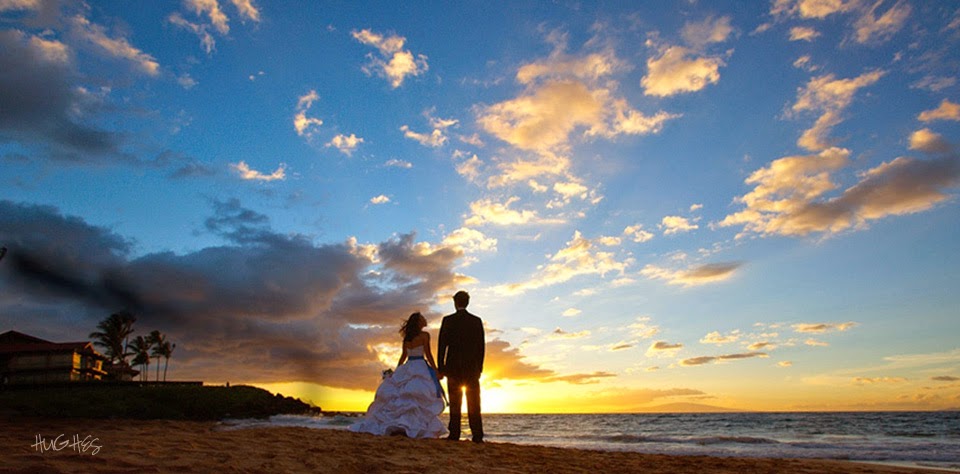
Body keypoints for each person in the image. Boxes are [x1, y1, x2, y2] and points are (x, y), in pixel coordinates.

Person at [350, 312, 448, 439]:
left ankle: (403, 425)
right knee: (417, 398)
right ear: (419, 322)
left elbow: (403, 357)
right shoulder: (425, 335)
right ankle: (414, 427)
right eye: (423, 318)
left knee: (405, 397)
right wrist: (435, 370)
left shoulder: (407, 338)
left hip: (408, 365)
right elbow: (428, 354)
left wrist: (398, 372)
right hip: (420, 365)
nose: (425, 319)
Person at [438, 290, 485, 443]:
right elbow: (481, 347)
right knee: (474, 402)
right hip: (472, 368)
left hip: (453, 367)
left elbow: (442, 345)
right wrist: (479, 368)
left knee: (455, 401)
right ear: (467, 302)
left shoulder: (448, 320)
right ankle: (477, 435)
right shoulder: (476, 321)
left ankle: (454, 433)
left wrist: (441, 367)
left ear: (455, 302)